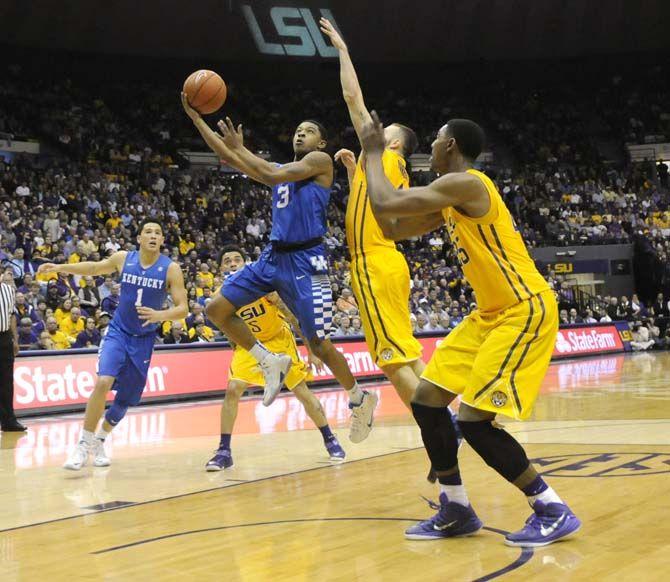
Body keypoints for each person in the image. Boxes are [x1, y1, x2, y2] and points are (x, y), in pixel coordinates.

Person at [358, 112, 580, 547]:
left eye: (437, 139)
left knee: (474, 422)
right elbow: (391, 227)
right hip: (488, 315)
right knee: (426, 399)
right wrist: (368, 174)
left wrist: (373, 153)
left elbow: (386, 205)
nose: (432, 147)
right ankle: (455, 507)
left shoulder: (469, 183)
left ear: (452, 146)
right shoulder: (448, 199)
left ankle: (551, 507)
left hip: (522, 309)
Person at [182, 94, 376, 444]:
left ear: (322, 142)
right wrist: (198, 121)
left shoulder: (318, 162)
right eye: (298, 131)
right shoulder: (284, 173)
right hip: (273, 257)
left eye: (309, 131)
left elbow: (267, 171)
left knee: (318, 344)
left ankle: (359, 398)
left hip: (307, 261)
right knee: (216, 309)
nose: (301, 134)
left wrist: (242, 151)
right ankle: (268, 360)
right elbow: (230, 158)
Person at [320, 19, 442, 410]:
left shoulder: (382, 153)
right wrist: (355, 174)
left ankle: (440, 429)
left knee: (391, 361)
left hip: (373, 262)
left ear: (392, 140)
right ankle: (447, 419)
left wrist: (343, 51)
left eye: (382, 129)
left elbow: (353, 100)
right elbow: (381, 204)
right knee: (406, 353)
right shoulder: (389, 169)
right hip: (390, 263)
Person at [38, 220, 188, 470]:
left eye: (158, 233)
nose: (153, 236)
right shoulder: (123, 258)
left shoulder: (171, 269)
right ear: (139, 238)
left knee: (125, 400)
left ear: (162, 240)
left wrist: (160, 315)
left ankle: (100, 439)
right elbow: (95, 267)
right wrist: (60, 266)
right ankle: (83, 444)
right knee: (103, 381)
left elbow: (183, 308)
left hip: (144, 340)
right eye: (148, 232)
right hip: (118, 332)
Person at [206, 246, 345, 470]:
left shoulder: (262, 287)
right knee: (233, 388)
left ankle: (330, 438)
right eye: (227, 261)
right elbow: (225, 326)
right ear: (221, 267)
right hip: (250, 344)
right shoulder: (218, 297)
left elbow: (293, 316)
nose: (232, 263)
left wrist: (310, 349)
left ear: (244, 263)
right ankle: (224, 451)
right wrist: (235, 346)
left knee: (301, 392)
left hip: (278, 339)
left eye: (237, 259)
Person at [0, 281, 26, 431]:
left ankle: (9, 421)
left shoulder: (8, 290)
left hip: (4, 337)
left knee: (7, 381)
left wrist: (15, 339)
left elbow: (11, 316)